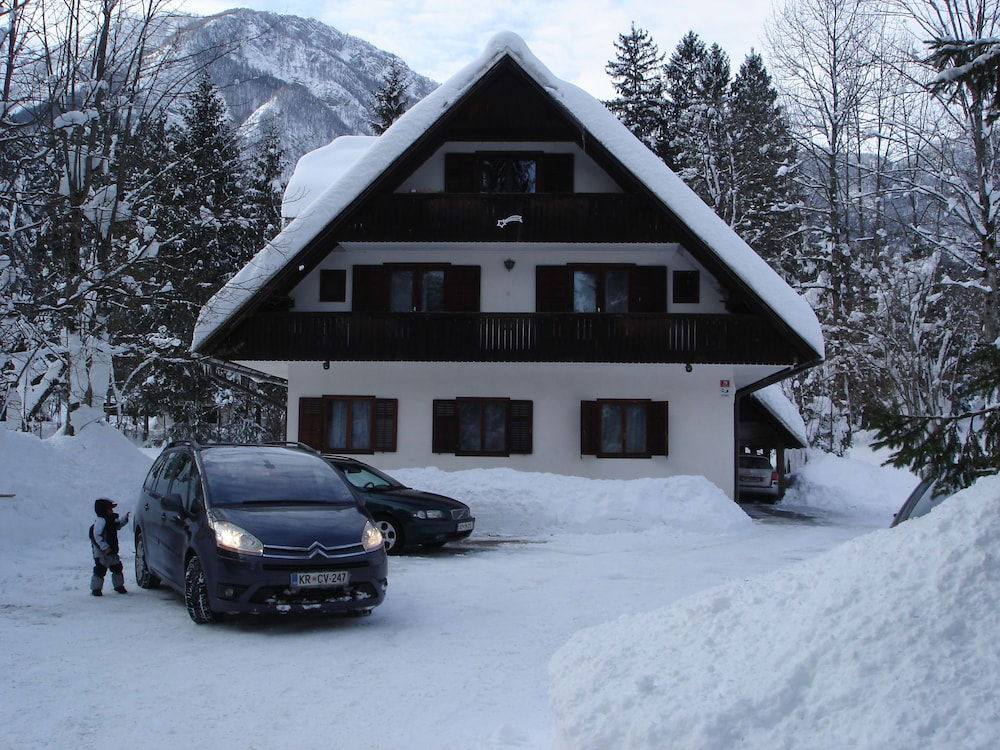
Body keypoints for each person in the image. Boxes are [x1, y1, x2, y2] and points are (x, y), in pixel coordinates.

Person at [89, 498, 131, 596]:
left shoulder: (110, 520)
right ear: (103, 510)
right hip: (102, 553)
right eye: (110, 509)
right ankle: (96, 588)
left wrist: (125, 519)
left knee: (117, 568)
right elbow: (97, 536)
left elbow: (118, 524)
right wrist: (104, 547)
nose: (112, 511)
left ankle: (119, 586)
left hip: (112, 551)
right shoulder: (101, 521)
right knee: (100, 570)